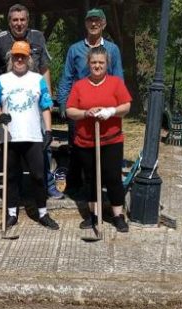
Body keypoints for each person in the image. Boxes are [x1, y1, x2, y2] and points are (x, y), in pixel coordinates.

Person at [0, 3, 63, 200]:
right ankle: (14, 193)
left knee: (42, 144)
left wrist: (48, 98)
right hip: (10, 103)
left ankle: (48, 183)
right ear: (9, 22)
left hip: (34, 99)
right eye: (15, 20)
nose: (19, 24)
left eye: (22, 20)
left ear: (27, 21)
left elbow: (44, 68)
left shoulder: (37, 37)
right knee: (12, 150)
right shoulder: (0, 40)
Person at [0, 41, 59, 230]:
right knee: (11, 177)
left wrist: (49, 130)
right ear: (11, 58)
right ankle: (11, 213)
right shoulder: (3, 80)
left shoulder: (37, 79)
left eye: (23, 56)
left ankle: (43, 213)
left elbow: (45, 106)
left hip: (33, 136)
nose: (19, 59)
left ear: (29, 59)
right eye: (16, 56)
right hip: (10, 136)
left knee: (38, 175)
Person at [58, 8, 124, 197]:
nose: (94, 24)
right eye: (90, 21)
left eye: (97, 21)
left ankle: (103, 187)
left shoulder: (112, 49)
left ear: (103, 24)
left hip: (105, 109)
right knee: (78, 148)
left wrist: (116, 107)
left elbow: (118, 77)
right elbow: (67, 77)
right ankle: (79, 187)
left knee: (106, 149)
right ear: (86, 24)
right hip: (80, 108)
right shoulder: (75, 49)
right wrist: (63, 102)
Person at [65, 46, 132, 233]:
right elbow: (70, 110)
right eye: (94, 62)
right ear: (88, 64)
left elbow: (126, 106)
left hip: (111, 140)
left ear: (107, 64)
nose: (97, 66)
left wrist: (111, 111)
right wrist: (86, 113)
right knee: (92, 178)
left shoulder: (116, 83)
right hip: (86, 142)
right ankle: (94, 215)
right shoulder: (79, 85)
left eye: (101, 63)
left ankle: (118, 215)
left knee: (112, 177)